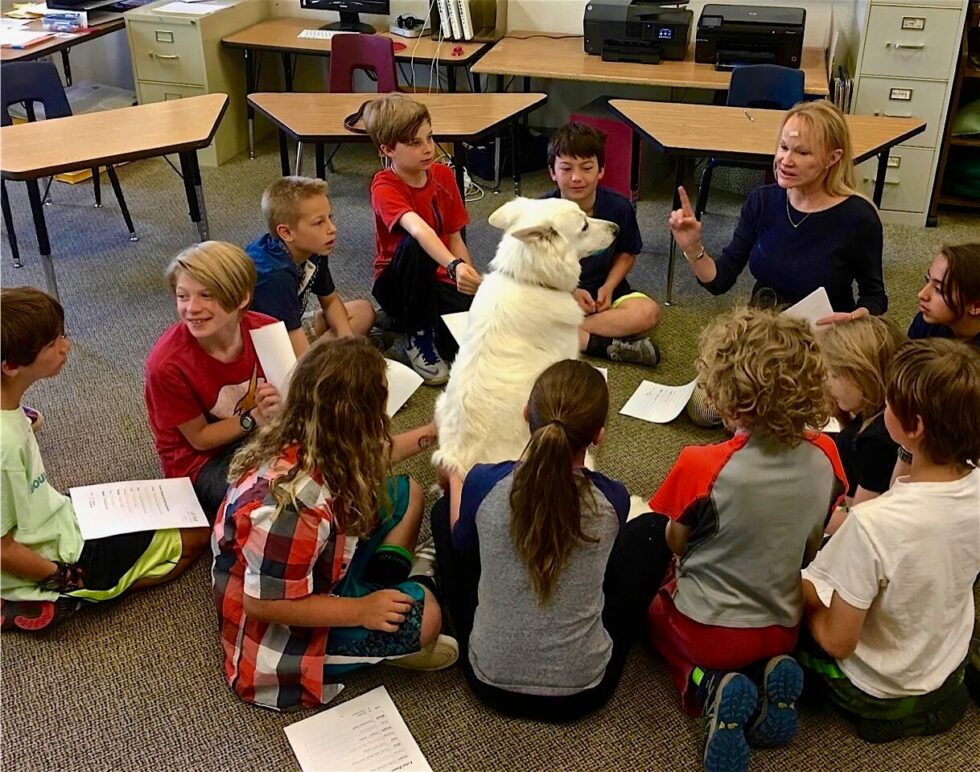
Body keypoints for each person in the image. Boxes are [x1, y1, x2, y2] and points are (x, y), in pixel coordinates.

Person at [642, 307, 847, 772]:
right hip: (781, 627)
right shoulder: (828, 456)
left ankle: (706, 685)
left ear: (727, 398)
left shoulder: (702, 463)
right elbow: (811, 548)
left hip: (706, 631)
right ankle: (765, 674)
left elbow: (675, 541)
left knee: (652, 614)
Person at [212, 337, 455, 712]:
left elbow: (375, 456)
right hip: (282, 627)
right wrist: (362, 611)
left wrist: (433, 431)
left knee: (407, 492)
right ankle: (397, 596)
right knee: (428, 619)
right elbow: (264, 605)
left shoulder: (309, 435)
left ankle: (380, 591)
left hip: (319, 564)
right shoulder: (290, 508)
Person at [430, 359, 664, 721]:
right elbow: (609, 567)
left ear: (526, 414)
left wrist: (455, 479)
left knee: (445, 513)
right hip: (583, 692)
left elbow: (463, 545)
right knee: (652, 532)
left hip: (488, 682)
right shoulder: (612, 498)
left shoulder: (483, 481)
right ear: (598, 434)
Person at [801, 338, 979, 742]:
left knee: (790, 600)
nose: (883, 410)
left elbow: (838, 641)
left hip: (875, 684)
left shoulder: (871, 525)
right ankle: (937, 698)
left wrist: (800, 591)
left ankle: (884, 709)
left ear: (915, 426)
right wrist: (906, 450)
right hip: (944, 662)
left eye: (890, 405)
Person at [1, 287, 209, 631]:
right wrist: (62, 576)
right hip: (54, 555)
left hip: (57, 515)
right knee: (196, 538)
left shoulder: (11, 415)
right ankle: (61, 594)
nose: (66, 347)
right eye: (54, 343)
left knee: (173, 506)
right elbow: (3, 548)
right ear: (10, 366)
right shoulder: (5, 445)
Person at [669, 100, 886, 321]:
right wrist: (694, 249)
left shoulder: (858, 217)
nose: (785, 161)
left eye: (802, 153)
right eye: (783, 148)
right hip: (766, 332)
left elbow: (874, 298)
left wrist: (852, 319)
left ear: (833, 158)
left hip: (824, 334)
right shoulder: (762, 201)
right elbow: (720, 280)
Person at [145, 241, 282, 520]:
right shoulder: (167, 364)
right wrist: (253, 416)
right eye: (183, 297)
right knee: (271, 502)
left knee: (324, 462)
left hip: (257, 432)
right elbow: (199, 439)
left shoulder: (265, 329)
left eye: (206, 295)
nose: (191, 308)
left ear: (242, 297)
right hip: (201, 462)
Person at [364, 93, 482, 385]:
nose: (428, 149)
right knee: (418, 246)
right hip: (396, 282)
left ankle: (402, 322)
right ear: (388, 149)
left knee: (472, 339)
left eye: (429, 138)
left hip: (438, 277)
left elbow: (454, 236)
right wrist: (454, 266)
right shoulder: (384, 185)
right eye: (415, 143)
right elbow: (419, 230)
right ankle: (416, 334)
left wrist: (472, 285)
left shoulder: (442, 175)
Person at [544, 121, 662, 366]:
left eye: (587, 168)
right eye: (566, 169)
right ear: (553, 172)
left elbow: (628, 252)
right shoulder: (541, 212)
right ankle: (601, 343)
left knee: (648, 312)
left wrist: (608, 287)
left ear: (601, 170)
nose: (577, 178)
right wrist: (570, 293)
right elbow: (534, 271)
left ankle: (564, 334)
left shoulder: (619, 207)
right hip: (556, 297)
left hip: (605, 297)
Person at [245, 176, 377, 357]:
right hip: (263, 347)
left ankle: (341, 353)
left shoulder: (314, 247)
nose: (332, 228)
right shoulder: (274, 276)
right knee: (300, 372)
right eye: (319, 222)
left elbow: (329, 300)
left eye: (330, 218)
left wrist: (349, 343)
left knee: (363, 311)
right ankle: (336, 357)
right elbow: (294, 352)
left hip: (291, 324)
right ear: (286, 232)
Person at [819, 315, 906, 533]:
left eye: (835, 375)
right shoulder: (894, 411)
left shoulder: (874, 443)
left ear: (865, 376)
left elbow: (860, 527)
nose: (827, 382)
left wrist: (805, 516)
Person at [907, 243, 980, 347]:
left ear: (976, 306)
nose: (921, 294)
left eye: (939, 289)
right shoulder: (927, 322)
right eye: (927, 280)